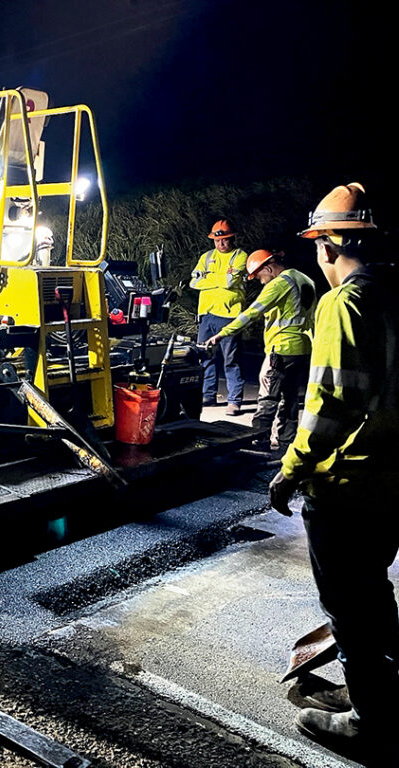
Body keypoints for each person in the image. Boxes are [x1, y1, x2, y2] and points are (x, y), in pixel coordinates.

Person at [269, 183, 399, 761]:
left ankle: (371, 720)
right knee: (374, 592)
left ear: (325, 245)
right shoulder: (394, 293)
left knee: (350, 602)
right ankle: (381, 689)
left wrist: (289, 472)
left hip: (351, 483)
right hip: (394, 477)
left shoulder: (342, 304)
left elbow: (329, 406)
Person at [205, 249, 315, 451]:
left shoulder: (280, 283)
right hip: (303, 349)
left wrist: (221, 334)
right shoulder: (304, 279)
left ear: (269, 267)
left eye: (259, 276)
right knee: (289, 399)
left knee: (268, 398)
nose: (260, 281)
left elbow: (251, 313)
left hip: (280, 349)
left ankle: (258, 442)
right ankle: (285, 442)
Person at [190, 219, 248, 414]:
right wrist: (220, 279)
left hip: (230, 315)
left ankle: (234, 401)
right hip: (207, 314)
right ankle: (209, 395)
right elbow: (193, 282)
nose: (221, 244)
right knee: (205, 357)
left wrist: (208, 278)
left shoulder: (240, 256)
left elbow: (231, 282)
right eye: (217, 240)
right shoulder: (206, 257)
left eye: (224, 240)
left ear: (232, 238)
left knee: (231, 360)